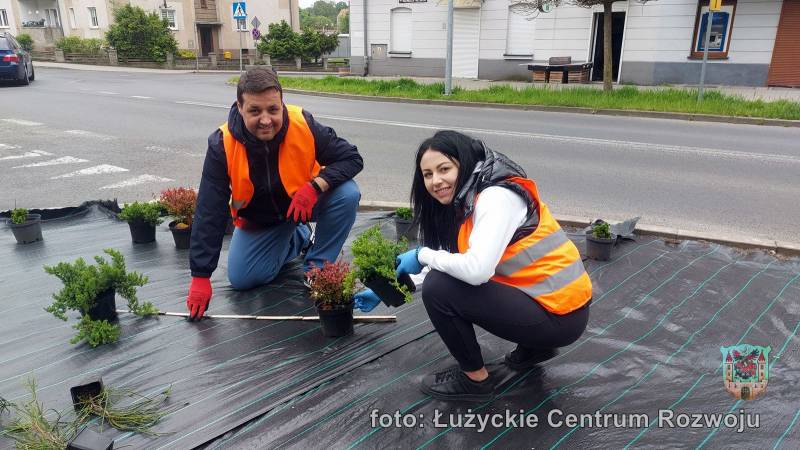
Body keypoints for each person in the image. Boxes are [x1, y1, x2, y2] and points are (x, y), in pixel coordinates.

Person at [355, 130, 592, 402]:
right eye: (428, 174)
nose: (436, 181)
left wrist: (422, 255)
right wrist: (391, 286)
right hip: (556, 304)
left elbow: (475, 270)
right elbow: (455, 263)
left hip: (559, 317)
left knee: (438, 289)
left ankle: (475, 380)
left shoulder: (495, 198)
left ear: (464, 163)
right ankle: (534, 348)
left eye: (444, 169)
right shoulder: (471, 194)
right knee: (443, 279)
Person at [186, 67, 363, 320]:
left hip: (302, 203)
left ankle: (317, 266)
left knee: (347, 193)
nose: (266, 120)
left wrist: (316, 186)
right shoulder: (222, 144)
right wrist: (200, 276)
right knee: (242, 279)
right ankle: (298, 237)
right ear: (239, 106)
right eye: (255, 111)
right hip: (261, 219)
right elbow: (209, 210)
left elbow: (351, 158)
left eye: (273, 109)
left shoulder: (303, 124)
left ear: (282, 103)